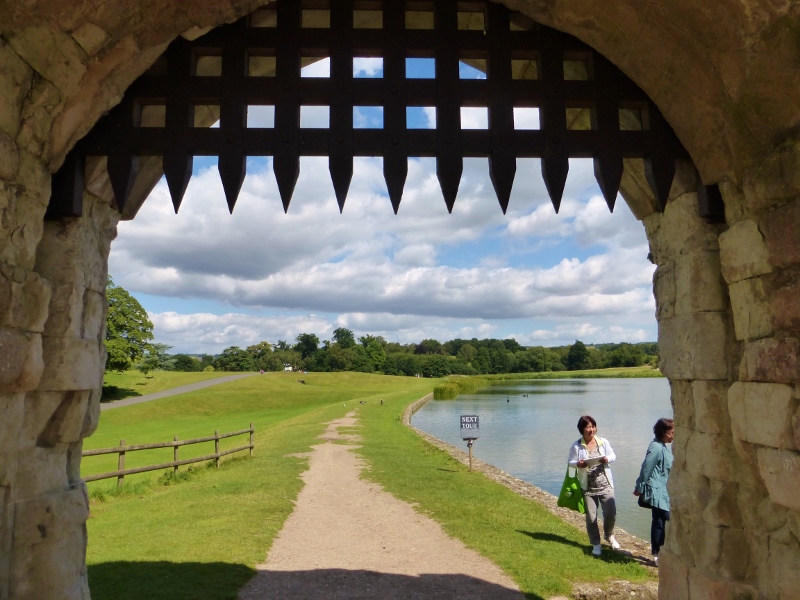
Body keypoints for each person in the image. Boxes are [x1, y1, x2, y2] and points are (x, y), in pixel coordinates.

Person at [568, 415, 620, 556]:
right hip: (588, 487)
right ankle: (596, 544)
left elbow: (613, 456)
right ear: (582, 429)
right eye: (588, 427)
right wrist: (578, 464)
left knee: (611, 514)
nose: (591, 430)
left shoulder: (603, 442)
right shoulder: (577, 446)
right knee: (591, 518)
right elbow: (570, 462)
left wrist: (606, 459)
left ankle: (609, 535)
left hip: (605, 485)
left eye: (593, 426)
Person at [634, 417, 674, 566]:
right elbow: (647, 467)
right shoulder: (656, 447)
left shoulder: (663, 446)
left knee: (661, 520)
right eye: (671, 433)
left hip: (663, 491)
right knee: (662, 520)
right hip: (657, 492)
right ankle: (657, 554)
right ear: (663, 432)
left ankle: (660, 552)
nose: (673, 436)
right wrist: (640, 487)